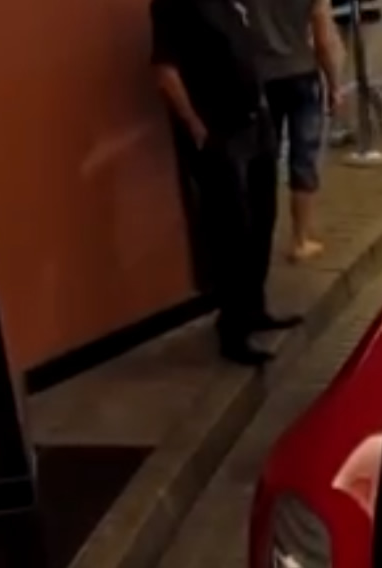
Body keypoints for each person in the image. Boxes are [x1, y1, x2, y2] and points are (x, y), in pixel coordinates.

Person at [151, 0, 300, 366]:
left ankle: (255, 307)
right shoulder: (175, 6)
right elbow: (164, 70)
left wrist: (263, 105)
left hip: (255, 123)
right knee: (232, 229)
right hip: (219, 131)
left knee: (263, 216)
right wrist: (195, 126)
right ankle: (233, 331)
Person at [249, 0, 345, 262]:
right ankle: (300, 240)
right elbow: (324, 40)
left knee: (264, 161)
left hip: (260, 79)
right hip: (301, 73)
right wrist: (335, 86)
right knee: (304, 158)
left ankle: (259, 242)